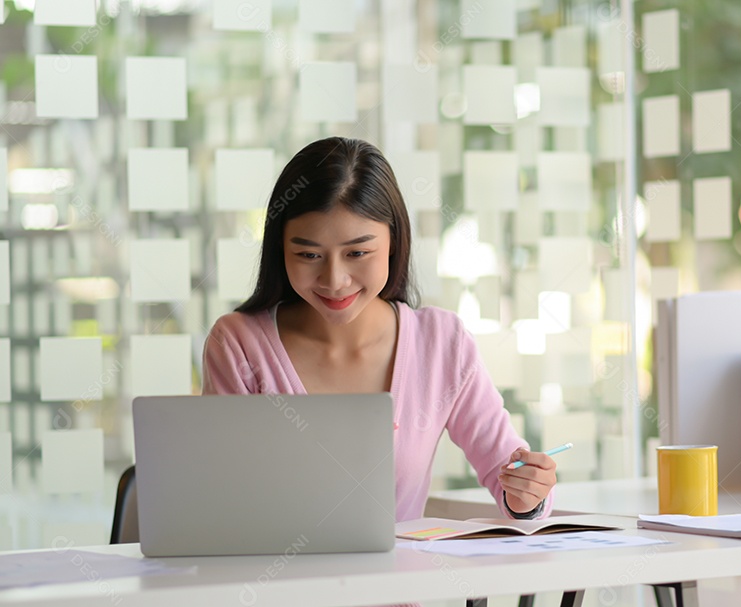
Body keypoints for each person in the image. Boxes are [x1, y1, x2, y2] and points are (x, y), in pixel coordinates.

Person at [201, 137, 556, 521]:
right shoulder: (238, 345)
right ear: (279, 249)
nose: (334, 280)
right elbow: (221, 501)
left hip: (401, 581)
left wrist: (528, 495)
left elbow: (509, 473)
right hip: (275, 580)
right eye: (308, 255)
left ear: (392, 242)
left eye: (357, 253)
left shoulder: (441, 343)